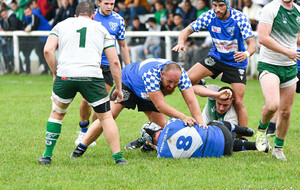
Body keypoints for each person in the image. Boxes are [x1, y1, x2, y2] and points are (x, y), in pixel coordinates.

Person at [38, 2, 128, 165]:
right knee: (106, 117)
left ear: (75, 15)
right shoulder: (101, 29)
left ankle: (47, 156)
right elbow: (114, 61)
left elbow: (47, 50)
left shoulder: (61, 25)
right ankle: (118, 158)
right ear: (93, 16)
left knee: (57, 114)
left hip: (66, 75)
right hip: (92, 76)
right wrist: (119, 88)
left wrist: (55, 72)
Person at [70, 58, 205, 158]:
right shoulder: (152, 75)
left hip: (149, 92)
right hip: (129, 82)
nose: (171, 86)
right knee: (108, 116)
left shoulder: (182, 76)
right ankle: (80, 149)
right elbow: (160, 105)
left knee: (165, 128)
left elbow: (191, 100)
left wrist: (201, 124)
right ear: (162, 75)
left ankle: (146, 142)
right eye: (169, 82)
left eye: (175, 83)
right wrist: (183, 116)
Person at [172, 0, 256, 128]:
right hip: (216, 58)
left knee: (238, 102)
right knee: (186, 80)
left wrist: (246, 54)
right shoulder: (209, 16)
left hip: (236, 61)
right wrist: (181, 42)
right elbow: (186, 31)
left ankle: (243, 136)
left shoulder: (239, 18)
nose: (217, 9)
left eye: (221, 6)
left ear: (228, 5)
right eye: (215, 5)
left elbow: (252, 45)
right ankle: (201, 85)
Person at [75, 0, 131, 147]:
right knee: (86, 101)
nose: (109, 7)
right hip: (91, 63)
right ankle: (83, 129)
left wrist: (129, 67)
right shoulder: (91, 17)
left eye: (112, 4)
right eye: (106, 3)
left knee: (99, 102)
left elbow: (123, 45)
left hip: (107, 67)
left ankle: (89, 135)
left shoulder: (118, 20)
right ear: (98, 3)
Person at [255, 0, 300, 161]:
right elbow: (263, 38)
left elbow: (297, 38)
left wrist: (291, 51)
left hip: (290, 66)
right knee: (273, 105)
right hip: (270, 64)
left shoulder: (298, 11)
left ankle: (278, 148)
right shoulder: (271, 9)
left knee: (286, 112)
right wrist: (287, 51)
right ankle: (261, 132)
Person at [124, 119, 271, 158]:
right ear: (157, 128)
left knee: (229, 144)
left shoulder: (161, 154)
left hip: (224, 152)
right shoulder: (171, 123)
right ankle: (245, 130)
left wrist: (151, 145)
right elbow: (191, 122)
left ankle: (257, 146)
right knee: (213, 124)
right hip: (222, 132)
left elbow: (160, 147)